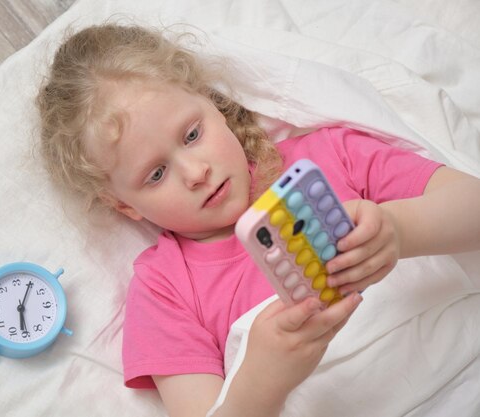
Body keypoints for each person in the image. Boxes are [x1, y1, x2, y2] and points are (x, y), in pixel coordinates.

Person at [37, 23, 480, 417]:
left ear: (215, 106)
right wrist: (261, 383)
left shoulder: (330, 155)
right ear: (125, 206)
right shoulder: (161, 290)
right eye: (156, 174)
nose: (196, 173)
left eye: (193, 135)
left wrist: (400, 231)